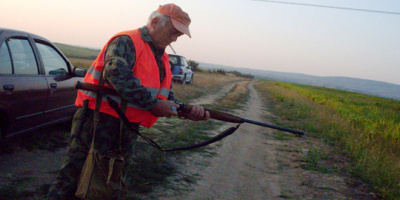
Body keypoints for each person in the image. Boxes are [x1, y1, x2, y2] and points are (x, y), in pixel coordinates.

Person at [47, 3, 209, 199]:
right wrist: (153, 105)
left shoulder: (162, 57)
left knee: (110, 179)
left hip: (126, 127)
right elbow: (116, 75)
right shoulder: (127, 41)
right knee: (73, 175)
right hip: (98, 120)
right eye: (173, 31)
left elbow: (164, 94)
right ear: (155, 21)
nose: (175, 38)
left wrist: (186, 110)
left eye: (179, 35)